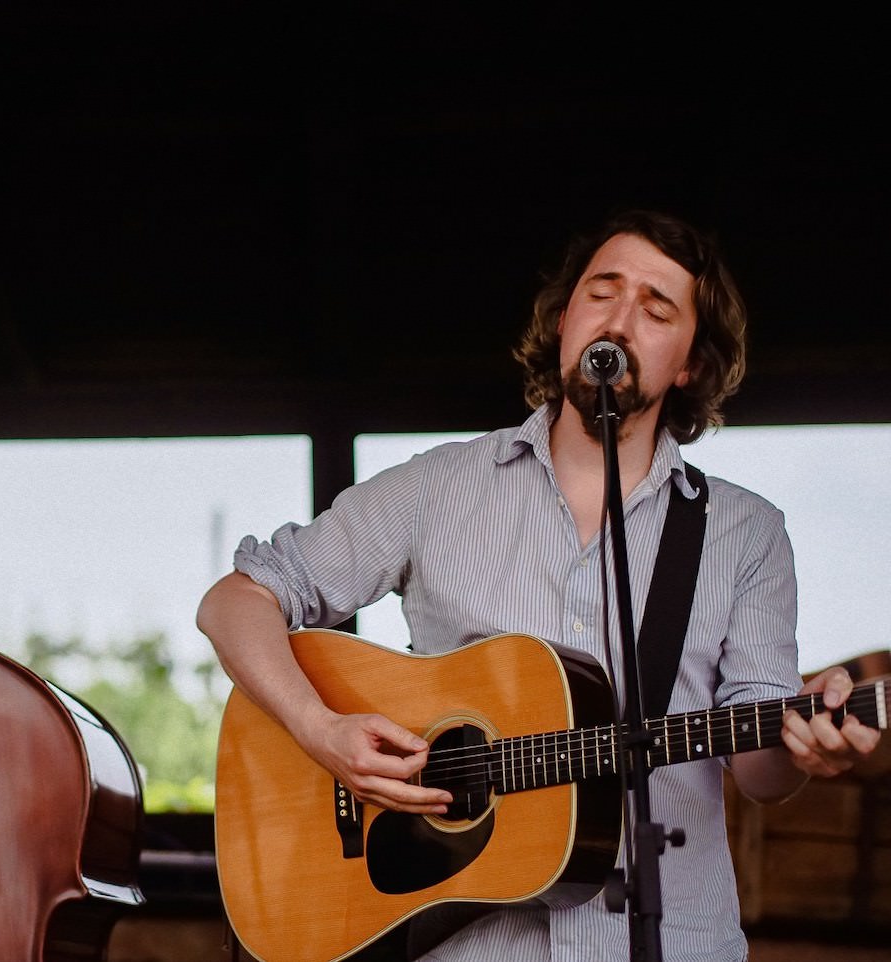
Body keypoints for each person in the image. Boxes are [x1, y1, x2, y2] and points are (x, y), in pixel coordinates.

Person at [197, 209, 882, 961]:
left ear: (689, 363)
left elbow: (760, 767)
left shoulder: (743, 532)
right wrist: (319, 730)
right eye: (602, 294)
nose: (620, 321)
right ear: (562, 321)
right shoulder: (436, 489)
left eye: (657, 309)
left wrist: (812, 749)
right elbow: (236, 601)